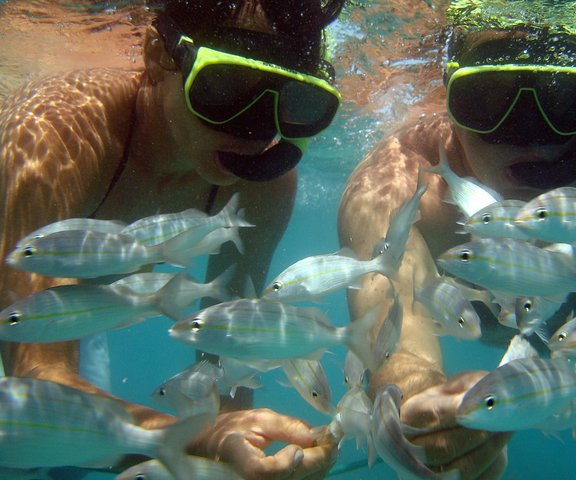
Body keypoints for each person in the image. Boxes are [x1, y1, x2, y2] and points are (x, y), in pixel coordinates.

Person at [338, 1, 576, 479]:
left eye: (571, 100)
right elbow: (394, 307)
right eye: (487, 98)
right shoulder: (402, 180)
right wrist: (418, 392)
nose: (529, 137)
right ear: (448, 95)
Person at [0, 0, 346, 478]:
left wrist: (250, 446)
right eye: (225, 86)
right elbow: (37, 374)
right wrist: (194, 440)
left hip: (77, 307)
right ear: (156, 55)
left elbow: (229, 356)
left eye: (290, 102)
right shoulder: (64, 134)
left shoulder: (263, 183)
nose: (253, 132)